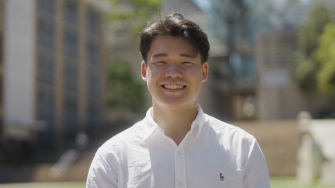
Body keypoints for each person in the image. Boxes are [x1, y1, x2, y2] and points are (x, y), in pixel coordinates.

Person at [86, 13, 270, 188]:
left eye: (186, 63)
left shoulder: (242, 148)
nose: (173, 73)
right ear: (144, 71)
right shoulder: (112, 157)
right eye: (161, 62)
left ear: (204, 71)